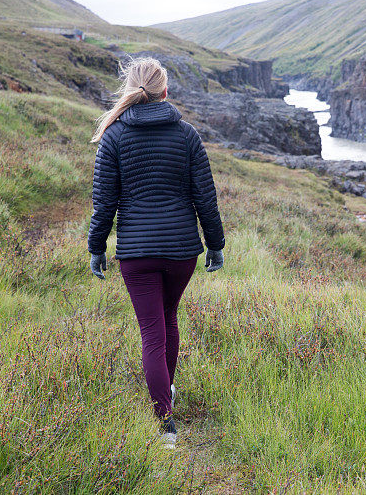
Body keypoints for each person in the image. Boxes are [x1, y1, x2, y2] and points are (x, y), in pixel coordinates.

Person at [87, 57, 225, 450]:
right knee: (168, 318)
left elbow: (104, 204)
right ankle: (167, 394)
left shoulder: (114, 137)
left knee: (152, 331)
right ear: (165, 91)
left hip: (137, 253)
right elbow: (206, 199)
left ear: (131, 91)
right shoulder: (187, 135)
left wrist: (97, 248)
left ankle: (165, 423)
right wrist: (215, 244)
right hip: (182, 251)